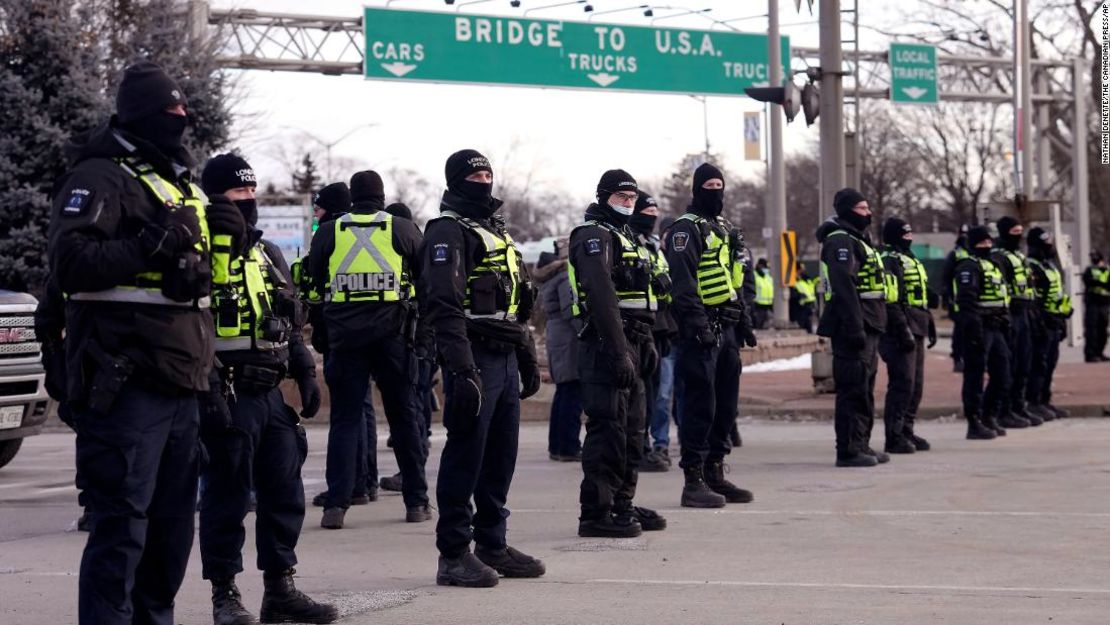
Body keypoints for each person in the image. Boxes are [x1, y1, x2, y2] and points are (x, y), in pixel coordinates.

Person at [48, 61, 228, 625]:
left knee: (172, 536)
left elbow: (196, 290)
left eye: (183, 109)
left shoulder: (177, 182)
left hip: (182, 379)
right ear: (144, 115)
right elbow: (71, 264)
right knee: (121, 533)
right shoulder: (98, 177)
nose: (181, 118)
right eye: (170, 110)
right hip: (126, 384)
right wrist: (152, 241)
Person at [197, 154, 336, 625]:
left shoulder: (267, 253)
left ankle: (280, 589)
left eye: (252, 190)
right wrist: (208, 387)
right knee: (227, 498)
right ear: (215, 197)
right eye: (238, 193)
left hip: (270, 394)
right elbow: (188, 325)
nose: (248, 200)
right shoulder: (199, 252)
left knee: (284, 493)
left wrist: (305, 369)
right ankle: (224, 594)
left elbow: (290, 319)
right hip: (227, 391)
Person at [420, 149, 544, 587]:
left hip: (505, 356)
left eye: (488, 172)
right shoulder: (446, 231)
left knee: (500, 456)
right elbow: (443, 305)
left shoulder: (496, 231)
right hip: (473, 355)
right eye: (475, 174)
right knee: (466, 455)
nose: (483, 179)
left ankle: (493, 543)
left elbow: (518, 303)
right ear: (456, 180)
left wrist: (526, 355)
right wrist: (461, 369)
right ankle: (453, 554)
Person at [308, 170, 430, 528]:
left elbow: (316, 278)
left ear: (352, 195)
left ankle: (336, 506)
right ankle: (416, 502)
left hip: (345, 338)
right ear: (380, 195)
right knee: (404, 417)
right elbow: (426, 281)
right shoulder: (402, 229)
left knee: (344, 421)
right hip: (394, 335)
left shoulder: (331, 231)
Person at [567, 170, 667, 538]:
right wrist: (618, 349)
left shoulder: (626, 237)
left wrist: (648, 343)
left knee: (633, 430)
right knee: (608, 429)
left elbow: (641, 297)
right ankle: (596, 513)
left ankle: (622, 502)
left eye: (631, 198)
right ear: (604, 196)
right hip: (607, 344)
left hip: (636, 340)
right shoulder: (593, 236)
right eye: (621, 197)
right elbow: (602, 297)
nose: (628, 204)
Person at [665, 163, 757, 507]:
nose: (716, 191)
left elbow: (736, 278)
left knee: (725, 406)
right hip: (700, 330)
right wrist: (698, 325)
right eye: (709, 185)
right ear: (697, 189)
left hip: (727, 328)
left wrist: (744, 320)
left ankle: (716, 472)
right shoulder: (685, 230)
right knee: (699, 405)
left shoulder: (726, 229)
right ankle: (694, 480)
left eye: (720, 184)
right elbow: (683, 284)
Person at [815, 188, 889, 467]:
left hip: (869, 322)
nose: (868, 213)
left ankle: (862, 444)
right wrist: (855, 326)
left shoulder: (859, 240)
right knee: (852, 389)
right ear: (847, 211)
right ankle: (847, 450)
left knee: (865, 388)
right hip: (852, 326)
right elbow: (844, 287)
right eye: (862, 208)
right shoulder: (841, 242)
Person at [877, 218, 935, 454]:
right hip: (898, 330)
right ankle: (894, 435)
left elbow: (917, 298)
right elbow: (892, 300)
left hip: (916, 324)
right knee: (902, 383)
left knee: (916, 384)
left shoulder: (910, 259)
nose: (909, 238)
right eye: (904, 235)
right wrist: (903, 330)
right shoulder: (889, 260)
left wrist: (928, 323)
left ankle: (907, 430)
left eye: (911, 234)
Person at [953, 226, 1010, 439]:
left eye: (989, 242)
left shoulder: (994, 265)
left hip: (997, 327)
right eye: (981, 243)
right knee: (974, 375)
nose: (986, 246)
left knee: (1003, 374)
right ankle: (974, 422)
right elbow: (966, 301)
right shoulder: (968, 266)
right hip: (980, 327)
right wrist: (974, 329)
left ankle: (989, 415)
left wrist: (1006, 323)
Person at [633, 192, 676, 472]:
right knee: (643, 395)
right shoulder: (629, 243)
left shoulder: (654, 246)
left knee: (658, 394)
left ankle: (653, 444)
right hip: (640, 328)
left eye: (654, 212)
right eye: (646, 212)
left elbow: (665, 287)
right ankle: (640, 447)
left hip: (661, 329)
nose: (652, 217)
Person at [535, 238, 583, 462]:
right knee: (572, 392)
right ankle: (568, 446)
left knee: (564, 391)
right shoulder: (565, 276)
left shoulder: (552, 276)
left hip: (558, 335)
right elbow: (570, 309)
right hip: (568, 337)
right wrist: (584, 331)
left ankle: (558, 445)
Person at [991, 216, 1040, 428]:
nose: (1018, 236)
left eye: (1020, 231)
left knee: (1024, 363)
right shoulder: (999, 258)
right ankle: (1004, 410)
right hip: (1011, 313)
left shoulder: (1019, 256)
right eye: (1014, 232)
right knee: (1010, 364)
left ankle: (1019, 406)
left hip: (1026, 312)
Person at [1025, 227, 1073, 420]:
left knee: (1049, 363)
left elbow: (1057, 293)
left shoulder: (1050, 266)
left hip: (1054, 322)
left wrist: (1064, 315)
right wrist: (1040, 320)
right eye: (1045, 244)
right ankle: (1033, 402)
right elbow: (1035, 299)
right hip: (1041, 323)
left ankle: (1045, 400)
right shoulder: (1032, 266)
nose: (1049, 247)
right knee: (1038, 364)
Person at [942, 225, 971, 372]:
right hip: (957, 300)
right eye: (963, 234)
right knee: (959, 331)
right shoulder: (954, 255)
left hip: (973, 302)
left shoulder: (974, 252)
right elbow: (946, 277)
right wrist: (947, 300)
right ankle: (957, 358)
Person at [1081, 250, 1110, 362]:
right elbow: (1088, 281)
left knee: (1103, 330)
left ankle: (1099, 352)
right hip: (1092, 303)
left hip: (1104, 304)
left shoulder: (1107, 270)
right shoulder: (1089, 270)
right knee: (1091, 330)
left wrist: (1099, 281)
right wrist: (1101, 282)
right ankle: (1090, 354)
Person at [792, 262, 818, 333]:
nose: (802, 271)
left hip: (810, 302)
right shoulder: (793, 280)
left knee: (809, 320)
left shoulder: (806, 278)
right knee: (804, 321)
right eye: (800, 269)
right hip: (801, 305)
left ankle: (811, 331)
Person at [752, 258, 774, 329]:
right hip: (757, 306)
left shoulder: (768, 277)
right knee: (757, 326)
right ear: (759, 266)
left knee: (766, 327)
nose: (766, 269)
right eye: (764, 267)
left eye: (767, 268)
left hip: (768, 306)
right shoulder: (753, 276)